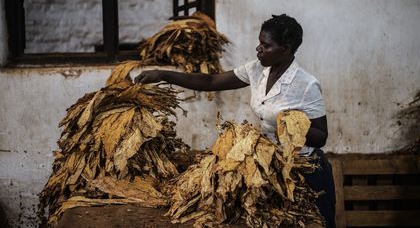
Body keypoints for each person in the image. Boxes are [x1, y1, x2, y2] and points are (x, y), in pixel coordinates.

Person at [134, 14, 336, 228]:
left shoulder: (306, 85)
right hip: (271, 168)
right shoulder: (258, 70)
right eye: (259, 43)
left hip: (304, 172)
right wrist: (163, 74)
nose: (258, 49)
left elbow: (321, 137)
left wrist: (291, 125)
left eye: (266, 46)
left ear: (285, 49)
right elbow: (212, 81)